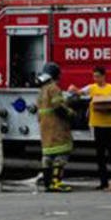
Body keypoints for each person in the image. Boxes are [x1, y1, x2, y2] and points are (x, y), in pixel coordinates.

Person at [68, 66, 111, 189]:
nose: (95, 78)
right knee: (100, 155)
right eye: (94, 76)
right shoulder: (92, 88)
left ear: (103, 76)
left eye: (97, 76)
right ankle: (103, 182)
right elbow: (79, 92)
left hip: (110, 125)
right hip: (97, 124)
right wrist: (73, 89)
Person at [38, 62, 75, 192]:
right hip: (57, 127)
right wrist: (70, 113)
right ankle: (56, 182)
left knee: (48, 157)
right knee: (61, 155)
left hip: (45, 128)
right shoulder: (54, 88)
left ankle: (48, 183)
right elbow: (58, 106)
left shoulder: (42, 90)